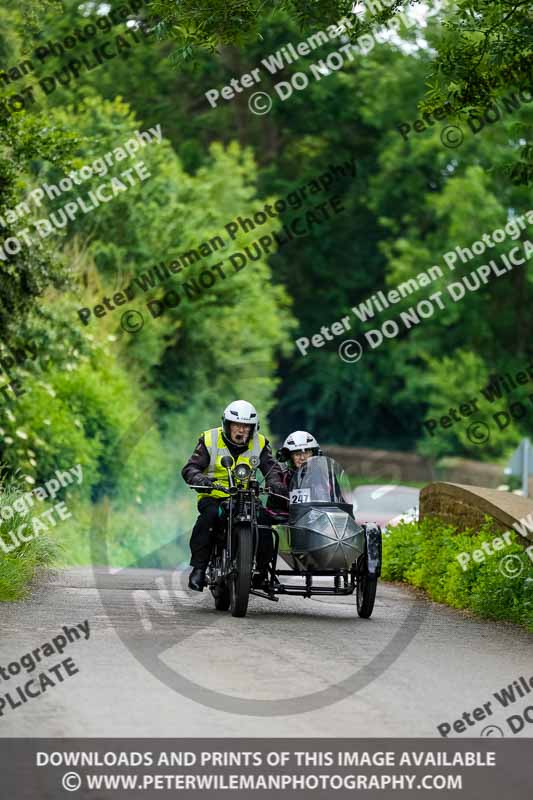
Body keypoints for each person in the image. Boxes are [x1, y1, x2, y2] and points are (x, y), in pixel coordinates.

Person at [182, 400, 287, 591]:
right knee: (209, 517)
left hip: (246, 496)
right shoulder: (209, 439)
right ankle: (198, 569)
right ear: (227, 425)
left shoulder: (261, 443)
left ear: (253, 428)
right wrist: (201, 480)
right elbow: (191, 468)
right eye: (237, 425)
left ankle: (262, 573)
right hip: (214, 495)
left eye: (246, 427)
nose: (241, 431)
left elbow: (271, 469)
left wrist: (275, 483)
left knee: (263, 521)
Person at [268, 431, 322, 512]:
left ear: (314, 454)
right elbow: (273, 511)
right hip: (290, 523)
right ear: (290, 457)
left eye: (306, 453)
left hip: (321, 521)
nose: (302, 458)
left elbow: (339, 502)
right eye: (297, 454)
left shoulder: (324, 477)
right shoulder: (282, 479)